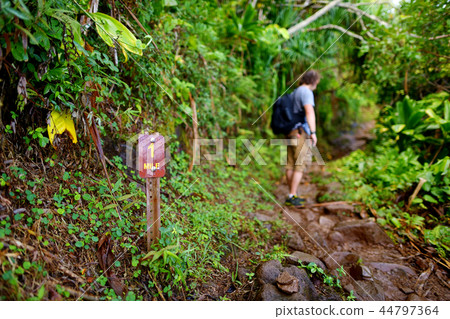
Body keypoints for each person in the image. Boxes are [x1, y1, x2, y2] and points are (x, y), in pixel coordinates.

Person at [284, 70, 320, 207]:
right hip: (301, 133)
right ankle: (292, 196)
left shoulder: (294, 92)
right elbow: (309, 112)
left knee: (290, 163)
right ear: (314, 80)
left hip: (290, 132)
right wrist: (313, 132)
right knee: (299, 164)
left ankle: (291, 195)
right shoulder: (306, 92)